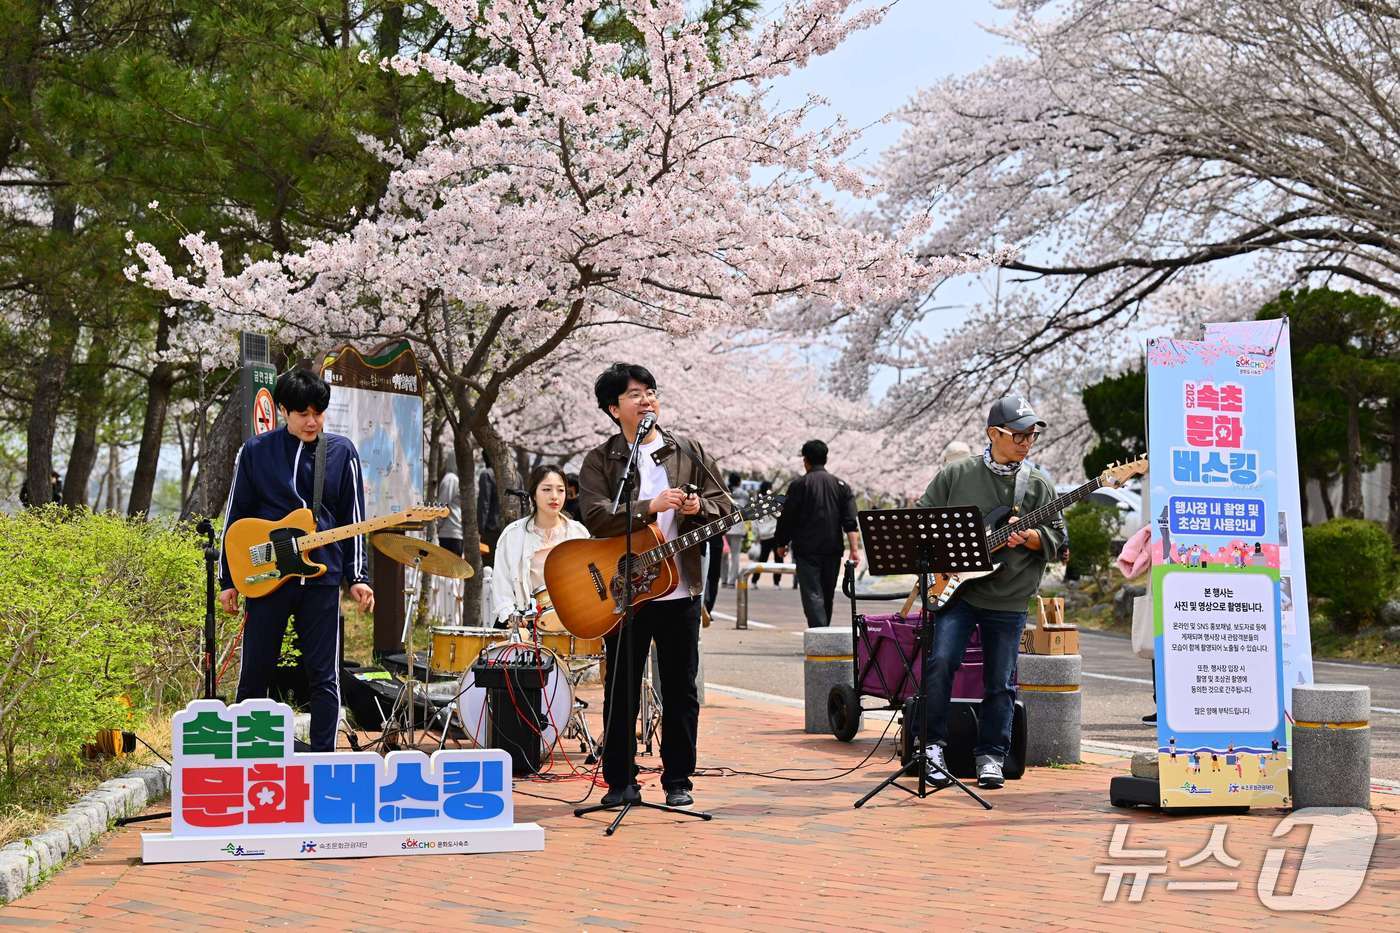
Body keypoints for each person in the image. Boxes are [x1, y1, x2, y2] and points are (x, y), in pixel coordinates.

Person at [578, 362, 729, 810]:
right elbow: (595, 514)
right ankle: (620, 782)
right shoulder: (602, 459)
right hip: (625, 592)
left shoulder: (688, 450)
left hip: (679, 589)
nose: (646, 400)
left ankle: (678, 778)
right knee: (620, 688)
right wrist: (650, 505)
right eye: (634, 394)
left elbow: (725, 504)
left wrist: (700, 505)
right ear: (613, 408)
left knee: (681, 688)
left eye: (650, 391)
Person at [219, 368, 374, 753]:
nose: (312, 421)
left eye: (319, 412)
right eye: (302, 413)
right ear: (282, 410)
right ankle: (249, 752)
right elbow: (235, 517)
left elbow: (353, 519)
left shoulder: (341, 452)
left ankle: (323, 758)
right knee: (255, 671)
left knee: (325, 674)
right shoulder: (256, 451)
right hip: (266, 575)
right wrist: (228, 579)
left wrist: (357, 576)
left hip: (322, 579)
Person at [918, 396, 1063, 790]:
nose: (1026, 441)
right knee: (941, 663)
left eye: (1031, 434)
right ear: (992, 434)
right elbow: (922, 520)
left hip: (1011, 595)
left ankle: (992, 756)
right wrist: (944, 560)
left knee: (1000, 681)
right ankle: (930, 747)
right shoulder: (957, 474)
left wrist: (1033, 537)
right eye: (1018, 434)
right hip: (958, 592)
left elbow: (1059, 537)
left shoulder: (1038, 483)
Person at [773, 440, 860, 628]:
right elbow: (850, 522)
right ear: (826, 458)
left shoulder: (799, 485)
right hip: (833, 548)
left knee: (812, 593)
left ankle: (819, 633)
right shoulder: (841, 486)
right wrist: (854, 550)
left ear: (805, 460)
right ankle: (823, 632)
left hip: (806, 549)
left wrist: (781, 543)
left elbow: (786, 518)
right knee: (827, 593)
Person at [490, 464, 589, 625]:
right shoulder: (513, 535)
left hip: (569, 623)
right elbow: (502, 586)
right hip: (523, 622)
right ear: (534, 494)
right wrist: (512, 617)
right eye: (547, 489)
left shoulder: (578, 534)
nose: (554, 496)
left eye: (561, 490)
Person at [748, 480, 781, 587]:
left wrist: (756, 536)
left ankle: (754, 581)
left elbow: (754, 522)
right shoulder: (775, 502)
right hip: (775, 534)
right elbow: (780, 516)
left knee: (762, 559)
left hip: (764, 535)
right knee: (778, 560)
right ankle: (776, 583)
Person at [720, 472, 749, 587]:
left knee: (724, 555)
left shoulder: (725, 493)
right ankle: (732, 581)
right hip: (738, 528)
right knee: (735, 555)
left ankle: (723, 580)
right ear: (739, 481)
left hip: (725, 527)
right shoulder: (745, 495)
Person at [477, 452, 503, 564]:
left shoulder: (487, 475)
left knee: (489, 567)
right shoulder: (517, 476)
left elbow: (484, 504)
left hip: (491, 529)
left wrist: (480, 529)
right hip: (512, 528)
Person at [436, 469, 464, 556]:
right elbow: (444, 506)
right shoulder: (452, 479)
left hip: (451, 532)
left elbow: (443, 506)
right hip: (452, 532)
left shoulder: (451, 479)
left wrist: (437, 525)